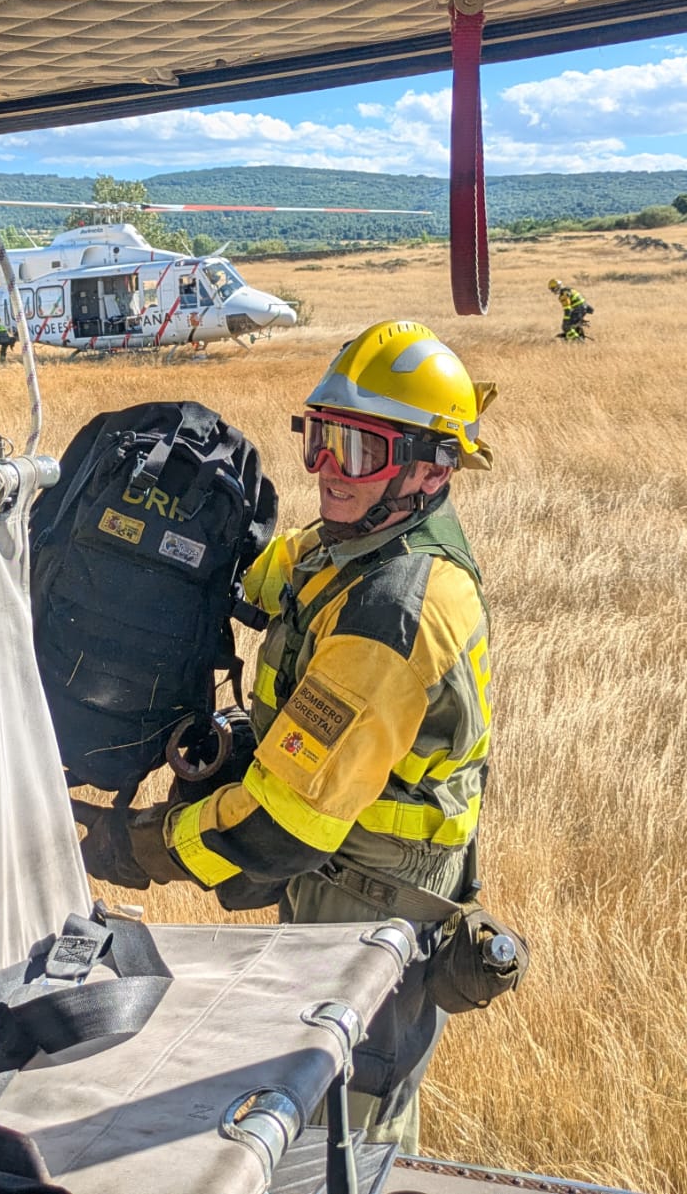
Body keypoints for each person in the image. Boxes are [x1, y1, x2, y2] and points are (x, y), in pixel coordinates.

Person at [81, 319, 499, 1151]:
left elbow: (280, 826)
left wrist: (134, 846)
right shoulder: (340, 549)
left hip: (369, 924)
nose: (330, 472)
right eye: (320, 440)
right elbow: (251, 572)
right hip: (332, 891)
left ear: (428, 467)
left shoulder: (397, 606)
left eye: (360, 449)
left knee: (336, 1137)